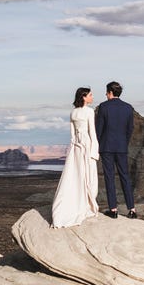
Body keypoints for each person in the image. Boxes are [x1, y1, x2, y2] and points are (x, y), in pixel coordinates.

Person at [50, 87, 100, 228]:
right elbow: (93, 133)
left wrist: (73, 149)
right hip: (87, 146)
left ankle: (69, 207)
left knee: (75, 176)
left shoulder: (73, 112)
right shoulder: (89, 111)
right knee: (89, 177)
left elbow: (72, 136)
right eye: (90, 95)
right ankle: (87, 205)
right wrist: (94, 152)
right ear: (83, 97)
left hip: (76, 147)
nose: (92, 97)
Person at [95, 81, 137, 219]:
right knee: (125, 176)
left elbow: (99, 129)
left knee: (109, 177)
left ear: (110, 92)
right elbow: (130, 129)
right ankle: (132, 209)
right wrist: (124, 142)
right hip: (121, 147)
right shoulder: (128, 108)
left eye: (107, 92)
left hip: (107, 146)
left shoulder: (103, 107)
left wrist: (98, 143)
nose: (106, 95)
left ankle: (113, 209)